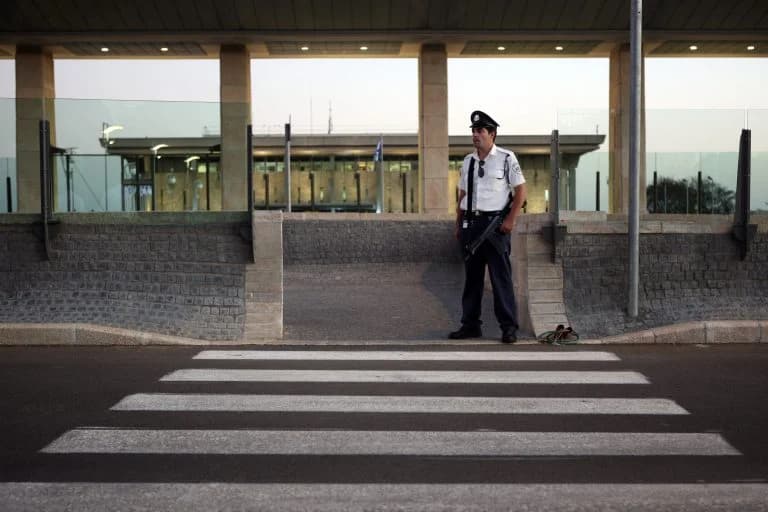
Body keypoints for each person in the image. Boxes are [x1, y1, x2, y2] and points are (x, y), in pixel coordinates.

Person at [449, 110, 527, 344]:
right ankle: (470, 325)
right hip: (471, 224)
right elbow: (462, 195)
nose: (475, 135)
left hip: (495, 226)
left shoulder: (506, 158)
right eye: (473, 131)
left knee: (500, 278)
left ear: (492, 134)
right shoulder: (468, 161)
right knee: (472, 279)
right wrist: (458, 225)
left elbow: (520, 191)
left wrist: (510, 220)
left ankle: (508, 327)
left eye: (480, 131)